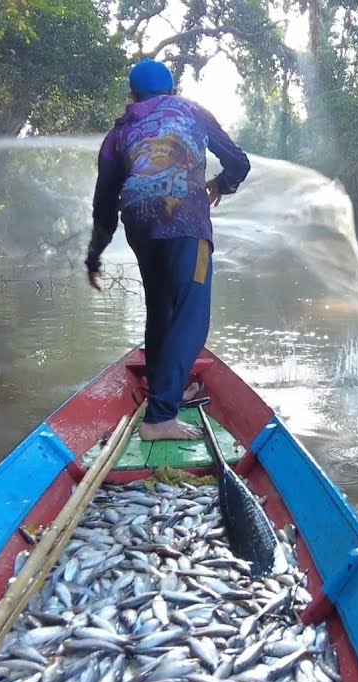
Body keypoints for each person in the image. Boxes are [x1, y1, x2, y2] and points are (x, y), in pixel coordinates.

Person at [85, 58, 251, 441]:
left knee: (161, 310)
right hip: (184, 224)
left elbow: (104, 202)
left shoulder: (119, 132)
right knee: (191, 316)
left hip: (141, 225)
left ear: (132, 95)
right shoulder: (193, 112)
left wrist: (94, 256)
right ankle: (160, 417)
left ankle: (167, 391)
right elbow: (238, 162)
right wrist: (221, 184)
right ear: (172, 90)